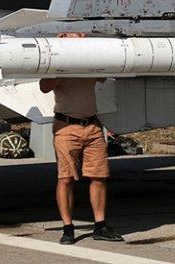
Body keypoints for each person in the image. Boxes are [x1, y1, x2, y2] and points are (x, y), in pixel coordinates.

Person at [39, 32, 123, 245]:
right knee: (65, 178)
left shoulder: (89, 63)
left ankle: (100, 226)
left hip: (92, 126)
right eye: (69, 34)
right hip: (66, 128)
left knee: (98, 176)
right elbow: (44, 86)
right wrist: (61, 68)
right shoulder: (57, 65)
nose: (78, 35)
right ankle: (68, 228)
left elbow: (108, 70)